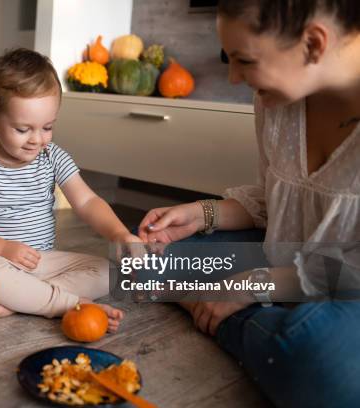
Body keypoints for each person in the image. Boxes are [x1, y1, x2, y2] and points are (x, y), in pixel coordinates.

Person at [138, 1, 360, 406]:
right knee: (144, 259)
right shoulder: (277, 100)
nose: (233, 77)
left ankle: (230, 317)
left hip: (348, 296)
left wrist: (257, 283)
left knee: (322, 360)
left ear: (312, 43)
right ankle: (263, 329)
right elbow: (280, 200)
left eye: (243, 60)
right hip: (285, 261)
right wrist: (202, 213)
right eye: (229, 58)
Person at [0, 48, 141, 330]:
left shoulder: (53, 156)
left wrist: (119, 233)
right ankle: (66, 304)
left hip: (43, 260)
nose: (37, 140)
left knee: (108, 272)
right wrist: (1, 248)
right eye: (23, 129)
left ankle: (23, 299)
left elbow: (86, 201)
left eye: (47, 127)